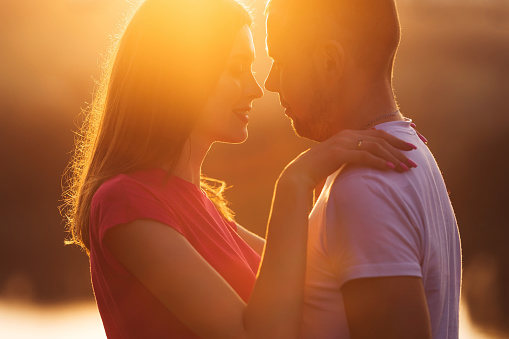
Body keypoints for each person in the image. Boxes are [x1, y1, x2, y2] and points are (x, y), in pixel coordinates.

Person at [61, 0, 418, 338]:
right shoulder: (126, 202)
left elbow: (310, 285)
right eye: (236, 69)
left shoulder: (204, 206)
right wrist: (295, 180)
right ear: (180, 76)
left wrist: (327, 194)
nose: (255, 88)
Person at [264, 0, 462, 338]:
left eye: (280, 62)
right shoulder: (414, 153)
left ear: (330, 61)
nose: (270, 82)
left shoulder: (366, 187)